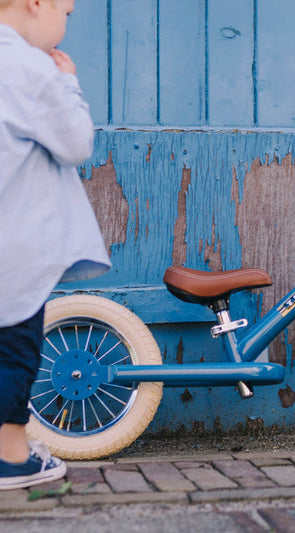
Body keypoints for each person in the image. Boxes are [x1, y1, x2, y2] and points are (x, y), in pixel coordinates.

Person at [0, 0, 110, 490]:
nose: (65, 22)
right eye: (66, 11)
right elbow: (76, 143)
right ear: (36, 3)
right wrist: (67, 81)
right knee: (13, 349)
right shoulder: (30, 68)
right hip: (14, 244)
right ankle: (11, 458)